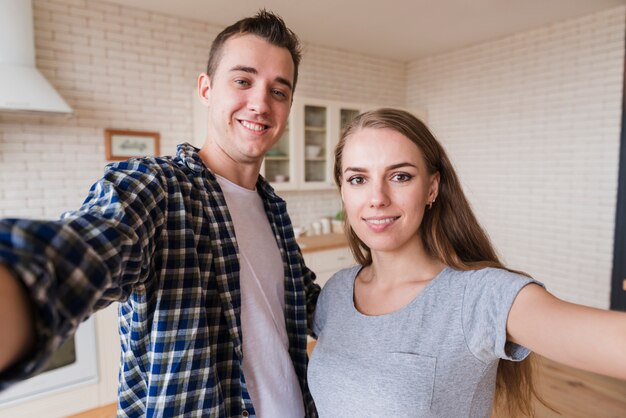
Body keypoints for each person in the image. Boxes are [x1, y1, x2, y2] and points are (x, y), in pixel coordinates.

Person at [0, 10, 319, 418]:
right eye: (242, 80)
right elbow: (84, 248)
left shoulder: (273, 208)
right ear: (206, 89)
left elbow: (303, 303)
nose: (260, 103)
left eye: (279, 91)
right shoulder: (157, 187)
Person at [307, 108, 626, 418]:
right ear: (343, 190)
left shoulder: (478, 296)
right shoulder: (336, 292)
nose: (377, 197)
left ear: (431, 188)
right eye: (358, 179)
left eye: (400, 176)